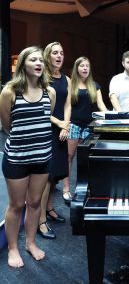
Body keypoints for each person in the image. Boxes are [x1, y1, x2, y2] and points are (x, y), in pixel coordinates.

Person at [0, 46, 56, 268]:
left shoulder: (49, 92)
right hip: (17, 159)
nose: (39, 63)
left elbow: (45, 121)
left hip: (42, 158)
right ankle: (13, 248)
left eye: (41, 60)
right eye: (33, 59)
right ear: (23, 63)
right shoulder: (9, 92)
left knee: (34, 203)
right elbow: (6, 126)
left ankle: (30, 243)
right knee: (16, 205)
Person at [62, 56, 108, 203]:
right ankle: (66, 189)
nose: (85, 68)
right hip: (74, 124)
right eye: (82, 66)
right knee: (69, 157)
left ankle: (84, 189)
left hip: (89, 126)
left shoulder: (95, 85)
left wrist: (110, 117)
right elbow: (67, 106)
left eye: (87, 66)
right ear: (77, 68)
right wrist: (66, 124)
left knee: (87, 159)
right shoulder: (71, 84)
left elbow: (101, 105)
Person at [38, 42, 71, 239]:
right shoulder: (43, 78)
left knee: (56, 175)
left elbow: (68, 104)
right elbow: (41, 107)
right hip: (48, 128)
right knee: (46, 177)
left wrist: (66, 125)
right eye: (54, 53)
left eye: (61, 53)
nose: (59, 56)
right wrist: (60, 123)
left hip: (62, 129)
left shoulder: (66, 78)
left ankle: (49, 209)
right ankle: (40, 220)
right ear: (48, 56)